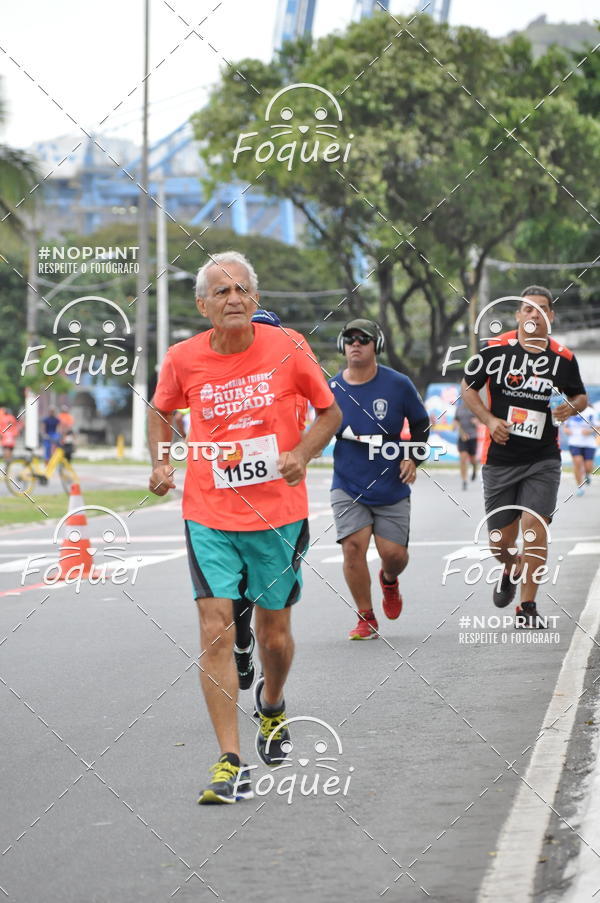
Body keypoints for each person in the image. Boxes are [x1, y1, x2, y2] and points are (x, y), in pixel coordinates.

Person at [147, 251, 341, 804]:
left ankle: (272, 703)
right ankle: (229, 762)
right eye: (221, 291)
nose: (233, 299)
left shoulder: (288, 348)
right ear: (202, 305)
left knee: (274, 632)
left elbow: (329, 412)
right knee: (215, 627)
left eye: (242, 290)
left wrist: (302, 452)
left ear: (255, 300)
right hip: (208, 509)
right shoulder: (183, 358)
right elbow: (163, 412)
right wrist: (161, 461)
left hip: (277, 513)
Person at [461, 286, 588, 628]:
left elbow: (580, 396)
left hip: (543, 457)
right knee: (499, 542)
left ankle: (527, 606)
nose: (535, 315)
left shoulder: (562, 358)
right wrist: (489, 420)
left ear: (551, 316)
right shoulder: (493, 351)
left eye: (542, 309)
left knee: (535, 527)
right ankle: (511, 565)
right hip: (501, 458)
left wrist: (570, 407)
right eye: (528, 309)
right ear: (518, 316)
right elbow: (468, 388)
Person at [329, 319, 430, 640]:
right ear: (341, 345)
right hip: (348, 484)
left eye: (364, 339)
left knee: (394, 555)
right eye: (349, 339)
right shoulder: (330, 390)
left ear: (377, 345)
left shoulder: (398, 385)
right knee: (353, 548)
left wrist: (414, 457)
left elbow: (420, 423)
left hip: (391, 484)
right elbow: (318, 427)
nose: (355, 344)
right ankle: (365, 616)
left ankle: (389, 579)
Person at [564, 405, 598, 496]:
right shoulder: (571, 411)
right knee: (577, 462)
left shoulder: (591, 412)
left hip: (589, 443)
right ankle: (580, 486)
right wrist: (566, 430)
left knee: (588, 467)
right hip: (574, 442)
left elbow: (597, 426)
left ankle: (587, 474)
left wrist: (590, 431)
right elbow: (565, 426)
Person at [454, 396, 478, 490]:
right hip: (462, 437)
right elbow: (456, 422)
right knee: (463, 459)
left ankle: (475, 470)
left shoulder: (474, 408)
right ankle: (464, 480)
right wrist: (462, 433)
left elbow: (480, 420)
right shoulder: (459, 409)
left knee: (473, 459)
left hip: (472, 436)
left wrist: (476, 421)